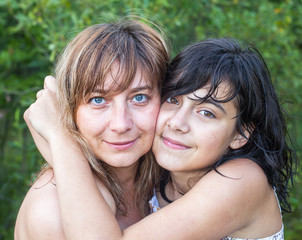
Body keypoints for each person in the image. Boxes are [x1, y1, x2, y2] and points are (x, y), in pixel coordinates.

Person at [22, 37, 296, 239]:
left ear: (240, 134)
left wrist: (59, 136)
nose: (177, 123)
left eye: (206, 113)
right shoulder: (154, 178)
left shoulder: (241, 181)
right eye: (173, 100)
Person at [14, 18, 169, 239]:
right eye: (98, 100)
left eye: (139, 97)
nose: (120, 124)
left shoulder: (169, 183)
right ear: (70, 108)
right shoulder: (50, 210)